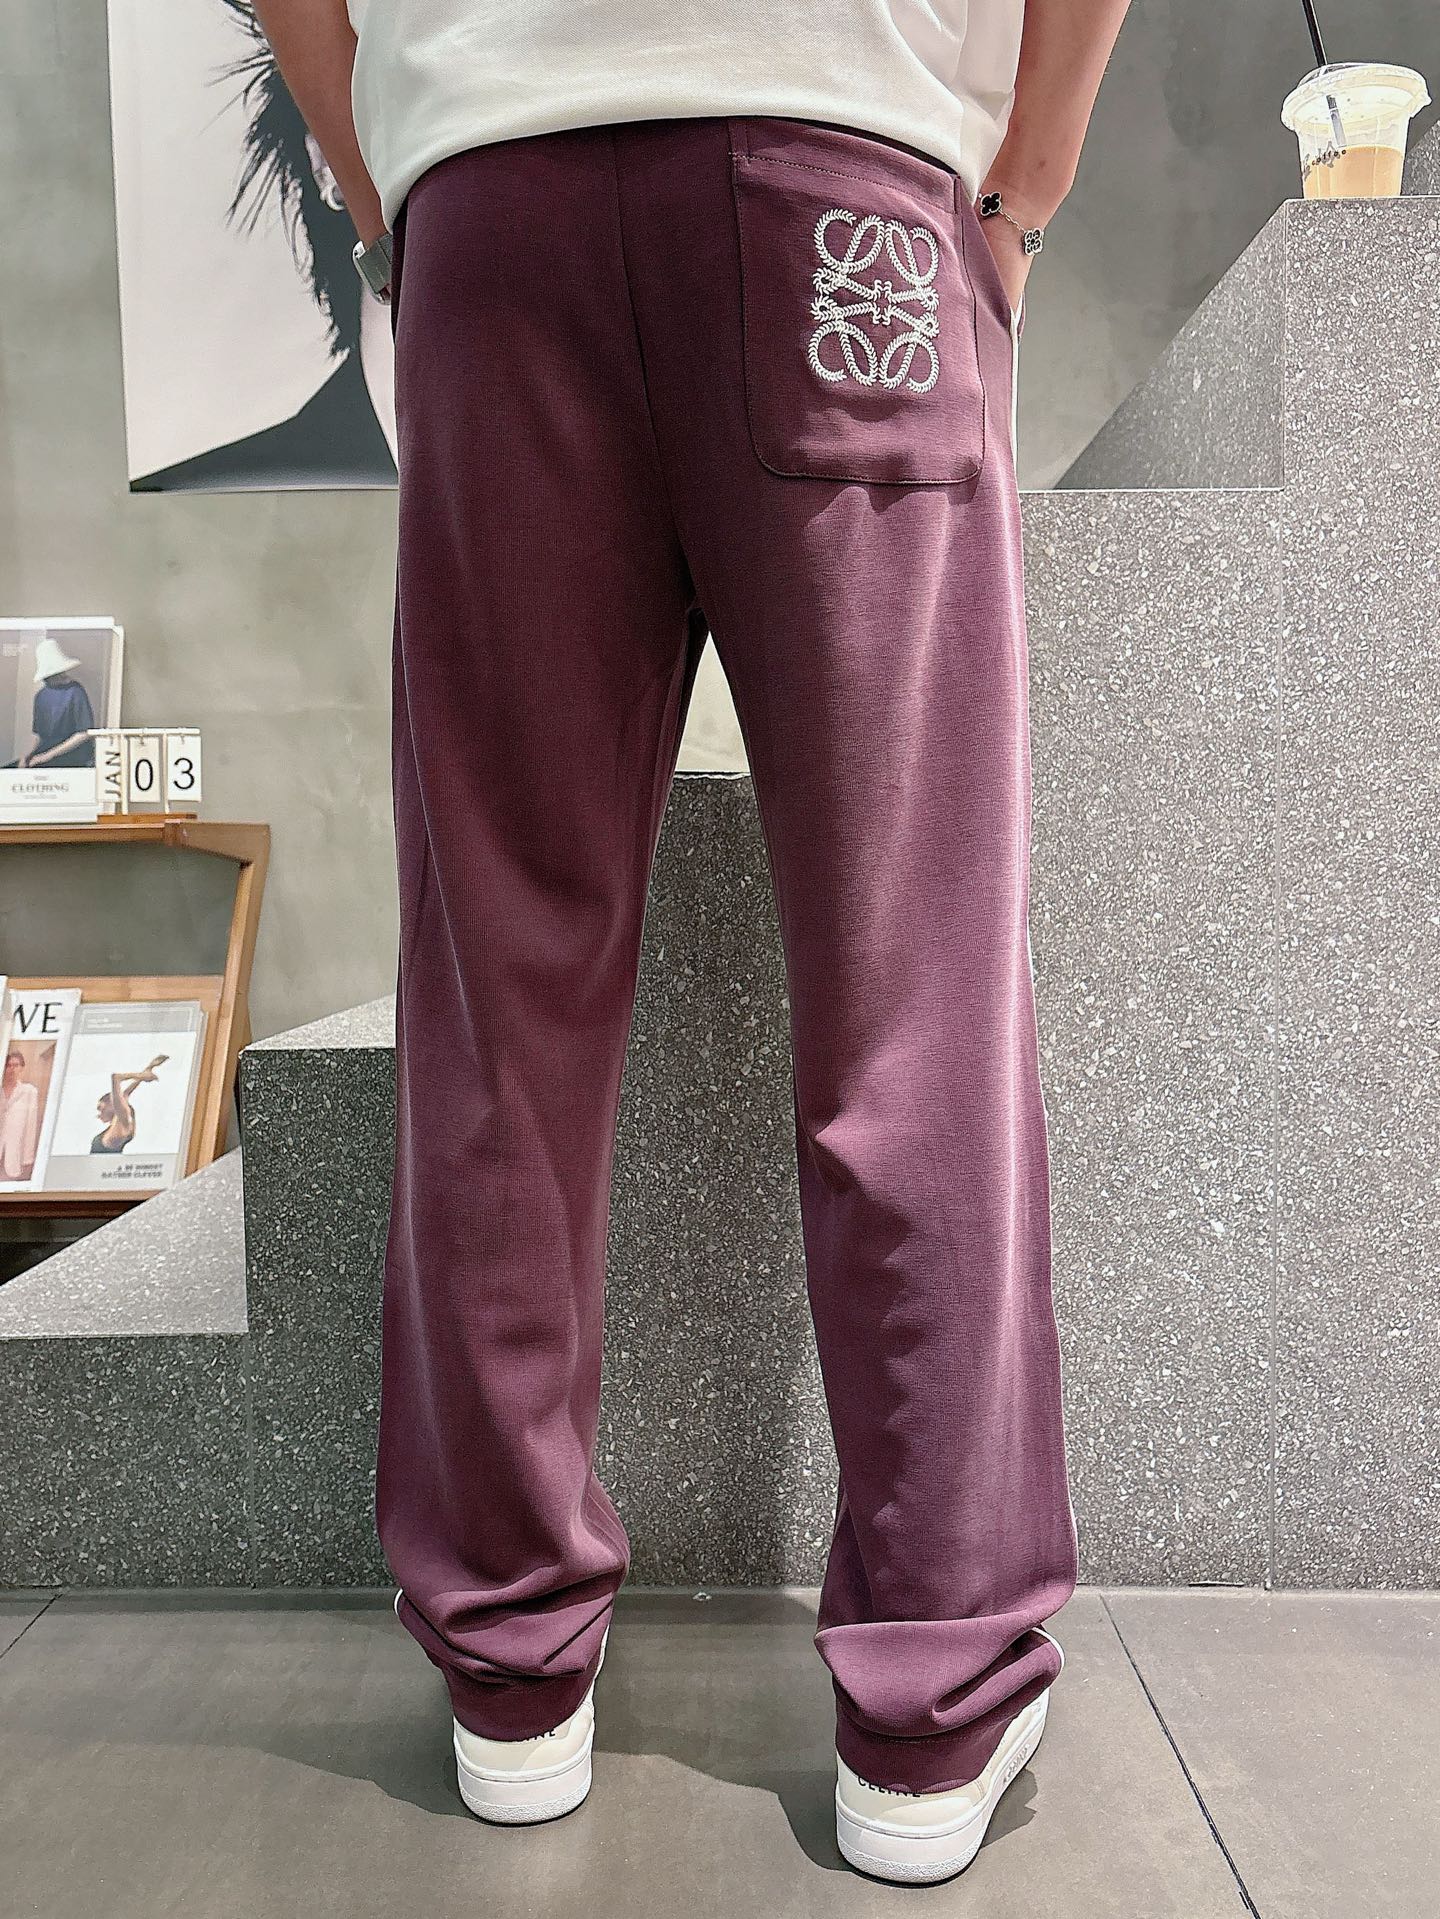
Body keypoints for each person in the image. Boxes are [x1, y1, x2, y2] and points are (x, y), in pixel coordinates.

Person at [252, 0, 1131, 1883]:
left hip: (494, 214)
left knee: (503, 998)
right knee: (914, 991)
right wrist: (1027, 186)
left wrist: (394, 183)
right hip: (844, 181)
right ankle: (934, 1696)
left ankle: (513, 1672)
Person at [12, 637, 96, 771]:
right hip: (46, 754)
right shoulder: (41, 696)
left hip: (73, 757)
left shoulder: (75, 691)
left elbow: (83, 733)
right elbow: (39, 735)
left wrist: (48, 756)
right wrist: (27, 755)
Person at [0, 1049, 41, 1183]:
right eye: (8, 1065)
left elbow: (30, 1126)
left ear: (22, 1068)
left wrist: (28, 1157)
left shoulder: (29, 1091)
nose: (12, 1069)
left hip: (13, 1154)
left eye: (16, 1065)